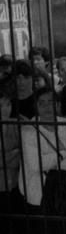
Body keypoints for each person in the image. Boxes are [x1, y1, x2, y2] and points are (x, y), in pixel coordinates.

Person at [18, 87, 66, 234]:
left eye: (50, 102)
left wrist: (53, 164)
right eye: (41, 103)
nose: (47, 106)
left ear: (58, 104)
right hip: (40, 194)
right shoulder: (28, 131)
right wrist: (64, 153)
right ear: (35, 106)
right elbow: (35, 165)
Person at [0, 89, 22, 232]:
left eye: (8, 104)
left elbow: (24, 157)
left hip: (16, 185)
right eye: (1, 105)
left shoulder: (16, 124)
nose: (5, 109)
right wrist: (15, 151)